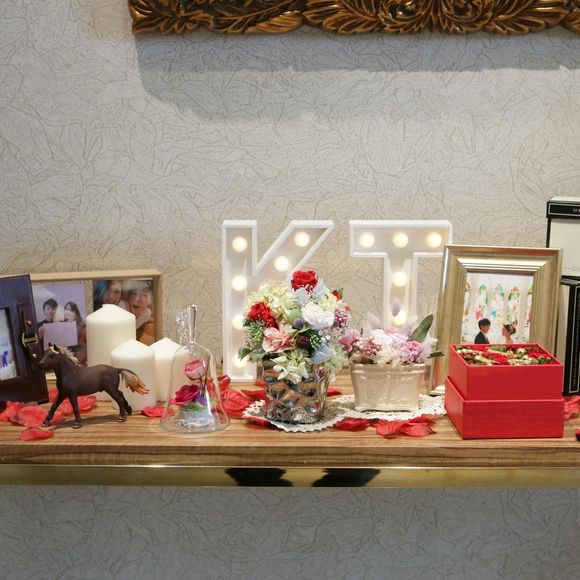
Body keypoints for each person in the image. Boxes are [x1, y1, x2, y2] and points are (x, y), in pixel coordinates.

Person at [125, 281, 155, 345]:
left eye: (144, 295)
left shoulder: (146, 313)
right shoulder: (122, 308)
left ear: (150, 301)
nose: (138, 299)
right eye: (134, 293)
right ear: (128, 297)